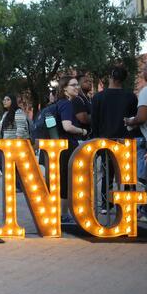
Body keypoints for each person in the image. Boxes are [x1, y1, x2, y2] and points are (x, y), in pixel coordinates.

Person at [92, 66, 140, 214]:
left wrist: (95, 138)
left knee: (108, 173)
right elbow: (134, 119)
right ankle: (129, 202)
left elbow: (94, 121)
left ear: (110, 77)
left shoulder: (98, 97)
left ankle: (107, 204)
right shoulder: (131, 97)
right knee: (127, 174)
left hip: (105, 139)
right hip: (126, 139)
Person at [125, 58, 147, 223]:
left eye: (144, 70)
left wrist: (130, 121)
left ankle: (146, 211)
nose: (142, 73)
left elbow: (142, 117)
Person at [55, 76, 89, 223]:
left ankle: (61, 212)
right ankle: (63, 214)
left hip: (59, 146)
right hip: (68, 146)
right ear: (65, 88)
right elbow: (67, 126)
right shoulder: (68, 104)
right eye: (73, 85)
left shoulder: (58, 103)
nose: (77, 87)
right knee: (66, 180)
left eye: (77, 85)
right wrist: (82, 131)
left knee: (61, 179)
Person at [0, 95, 29, 180]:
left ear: (13, 101)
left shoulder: (18, 112)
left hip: (14, 144)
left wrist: (17, 143)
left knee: (14, 165)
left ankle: (18, 184)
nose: (5, 101)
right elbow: (0, 126)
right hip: (5, 144)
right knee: (1, 161)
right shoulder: (6, 114)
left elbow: (21, 128)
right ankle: (15, 183)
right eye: (4, 99)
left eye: (8, 99)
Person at [73, 71, 93, 138]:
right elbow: (84, 119)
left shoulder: (89, 99)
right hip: (80, 138)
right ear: (78, 85)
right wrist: (97, 116)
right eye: (86, 81)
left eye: (90, 81)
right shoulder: (77, 99)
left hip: (90, 136)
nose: (90, 83)